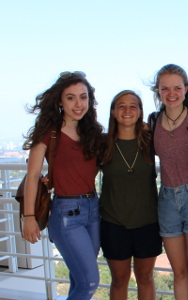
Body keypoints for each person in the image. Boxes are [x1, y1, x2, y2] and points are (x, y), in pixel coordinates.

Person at [22, 71, 104, 299]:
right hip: (66, 214)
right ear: (60, 101)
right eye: (71, 97)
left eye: (83, 97)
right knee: (89, 282)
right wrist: (28, 217)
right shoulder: (49, 133)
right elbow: (33, 175)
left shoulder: (92, 133)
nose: (78, 104)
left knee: (78, 278)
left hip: (93, 210)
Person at [148, 64, 188, 300]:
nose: (171, 93)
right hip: (166, 199)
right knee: (179, 272)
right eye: (165, 89)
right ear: (158, 91)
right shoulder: (153, 121)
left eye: (177, 88)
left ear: (185, 89)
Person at [100, 90, 162, 300]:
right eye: (122, 106)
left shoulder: (151, 140)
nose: (127, 110)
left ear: (140, 112)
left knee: (145, 278)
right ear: (113, 112)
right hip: (113, 223)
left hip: (148, 222)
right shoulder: (103, 144)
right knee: (119, 279)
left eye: (133, 106)